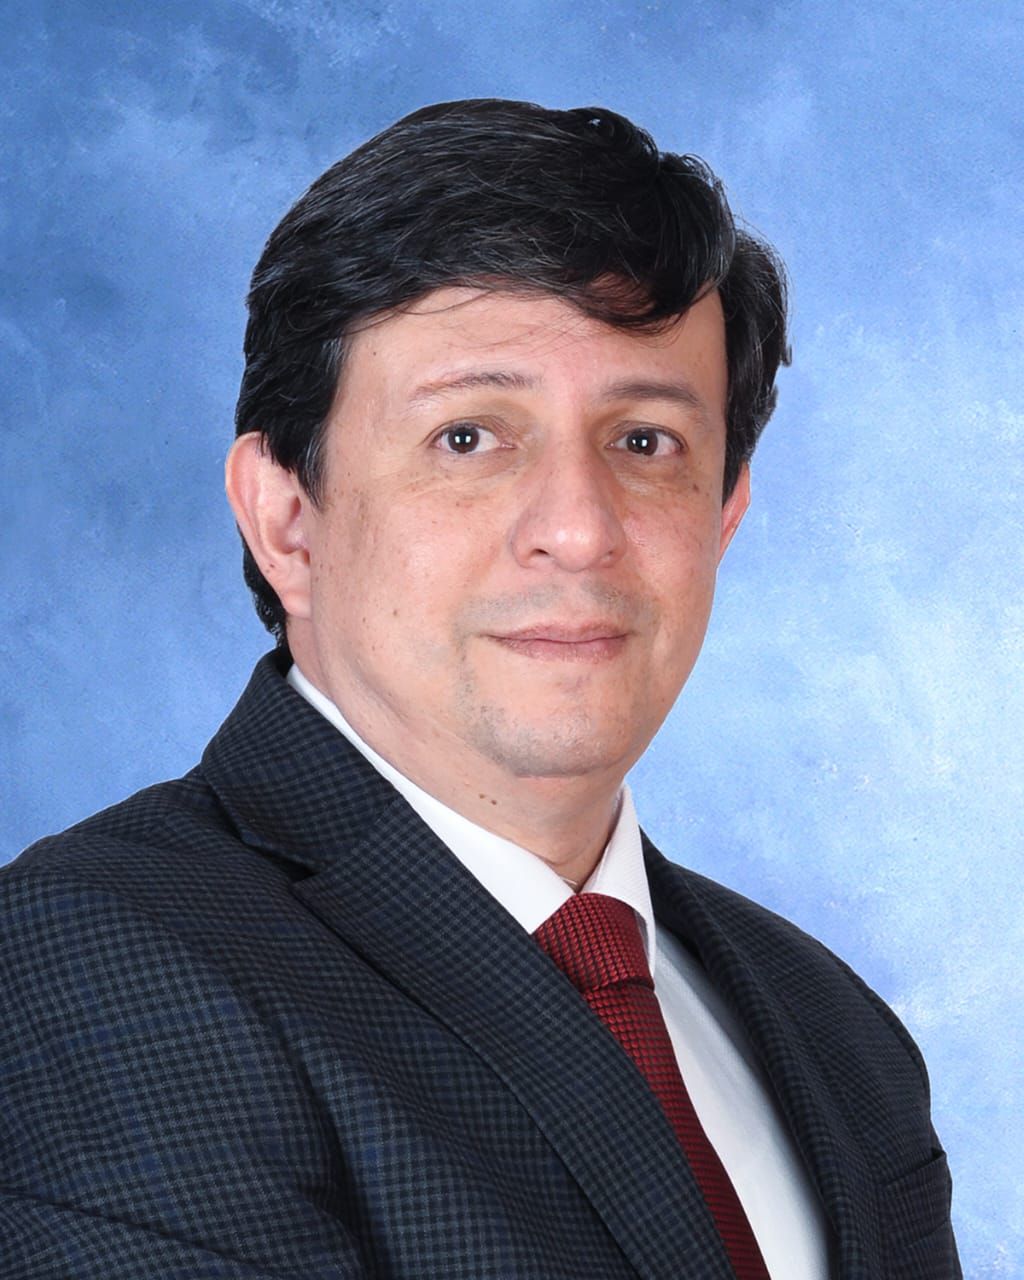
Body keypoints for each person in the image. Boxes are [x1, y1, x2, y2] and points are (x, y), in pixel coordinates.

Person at [0, 99, 960, 1279]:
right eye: (468, 436)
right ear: (286, 519)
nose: (577, 528)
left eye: (645, 441)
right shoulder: (97, 960)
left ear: (725, 515)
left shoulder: (831, 1026)